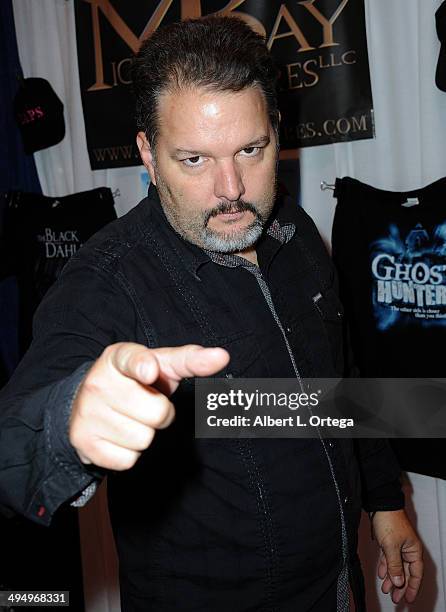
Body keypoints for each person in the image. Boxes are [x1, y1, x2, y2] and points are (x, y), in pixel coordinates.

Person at [0, 16, 422, 612]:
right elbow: (12, 444)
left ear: (276, 132)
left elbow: (340, 384)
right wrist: (65, 418)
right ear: (148, 153)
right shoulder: (107, 279)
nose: (232, 188)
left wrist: (386, 503)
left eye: (250, 149)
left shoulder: (292, 229)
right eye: (194, 160)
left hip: (338, 587)